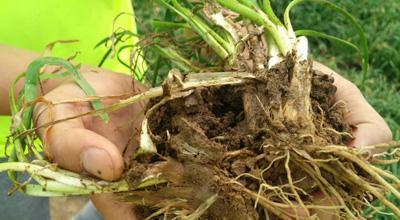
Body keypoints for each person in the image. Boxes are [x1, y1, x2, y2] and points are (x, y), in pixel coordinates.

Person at [0, 1, 393, 220]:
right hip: (15, 135)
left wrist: (236, 33)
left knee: (132, 189)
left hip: (121, 110)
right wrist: (52, 83)